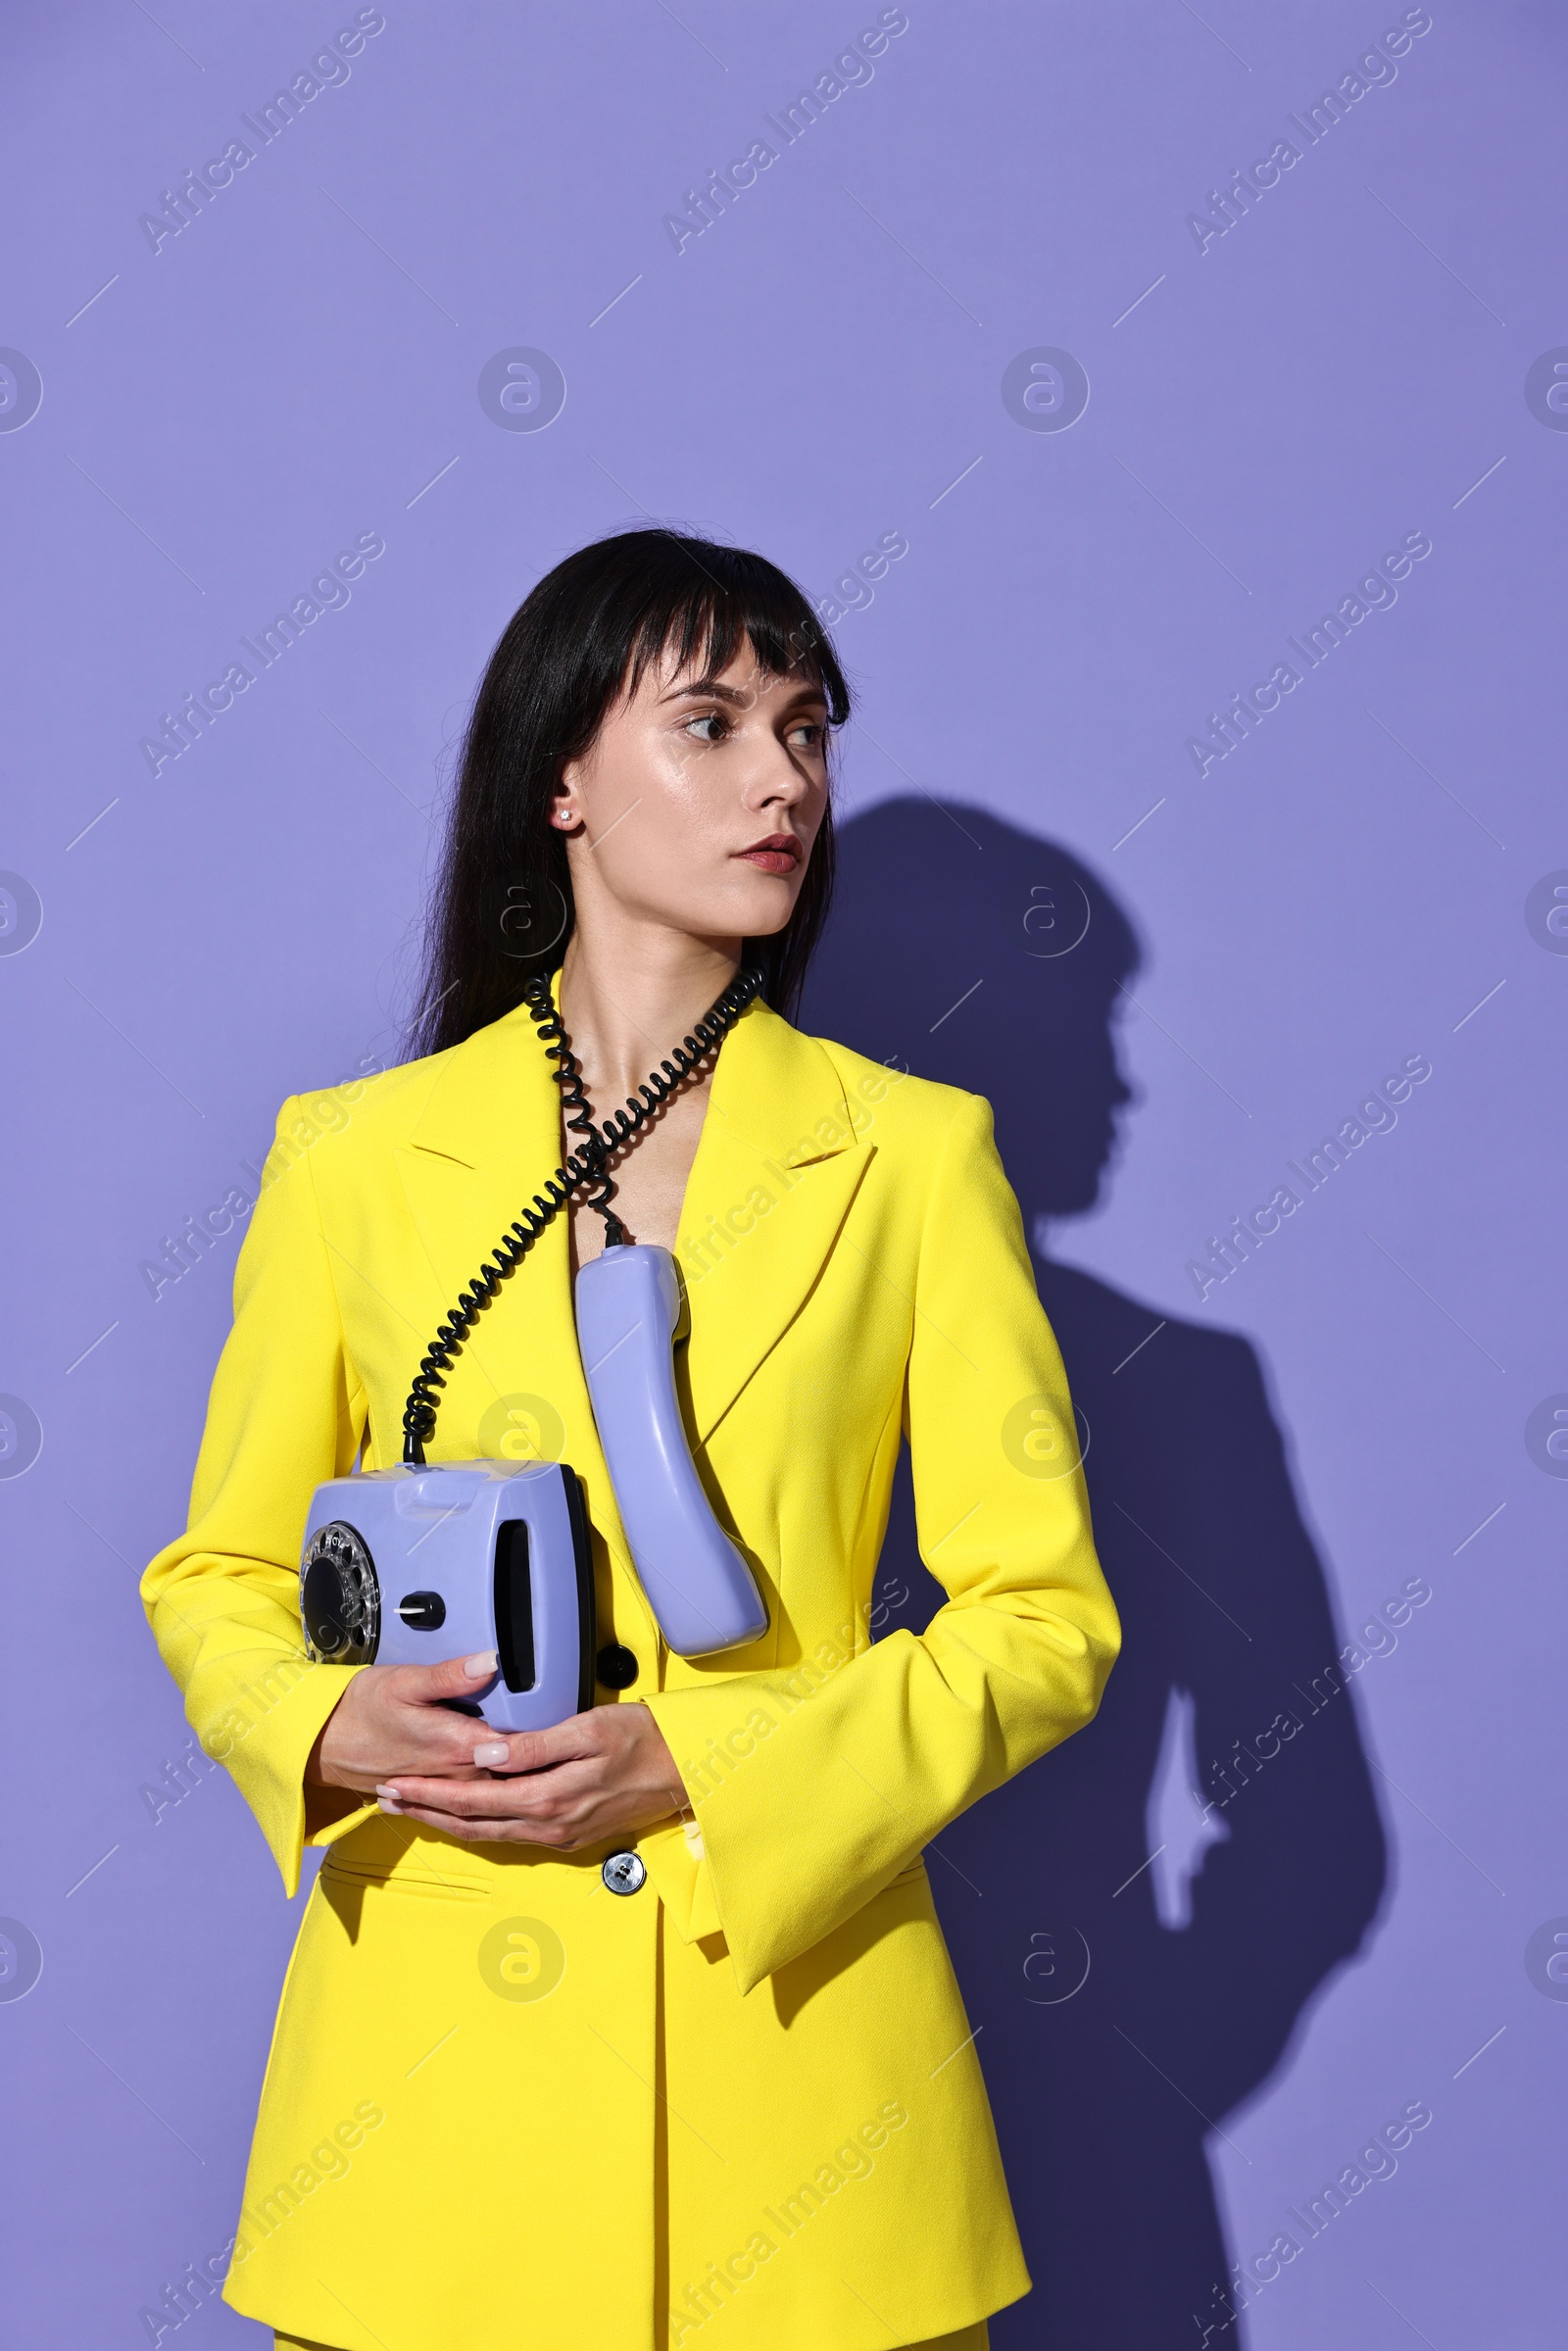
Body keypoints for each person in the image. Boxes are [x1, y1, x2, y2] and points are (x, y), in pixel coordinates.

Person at [141, 529, 1122, 2351]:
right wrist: (317, 1720)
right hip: (430, 2126)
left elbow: (1042, 1624)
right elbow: (221, 1574)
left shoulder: (917, 1159)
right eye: (713, 721)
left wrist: (710, 1773)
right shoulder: (352, 1159)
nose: (785, 778)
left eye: (807, 726)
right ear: (564, 781)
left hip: (812, 2105)